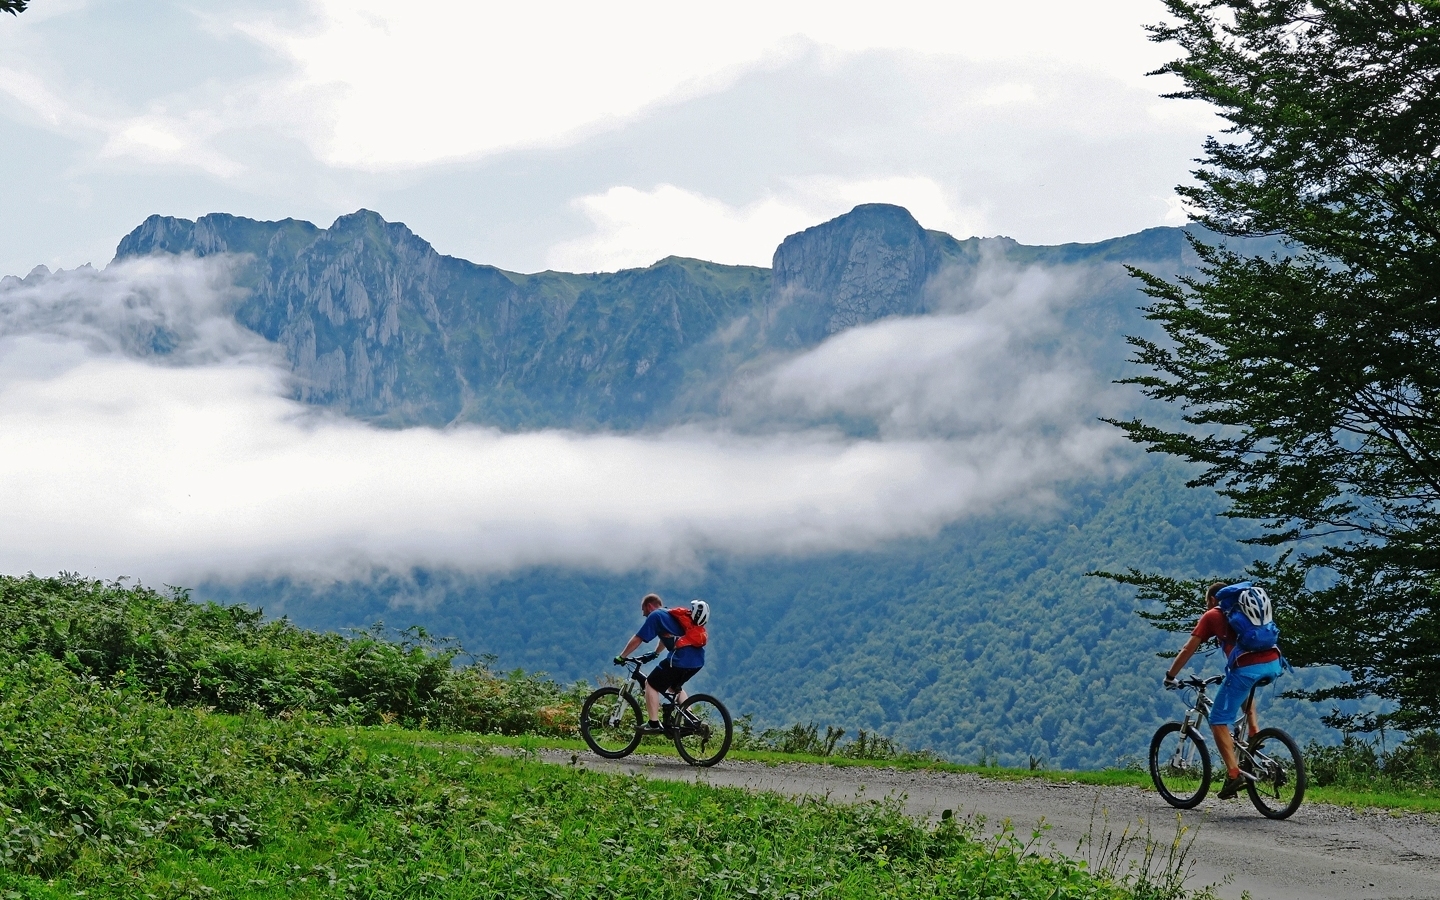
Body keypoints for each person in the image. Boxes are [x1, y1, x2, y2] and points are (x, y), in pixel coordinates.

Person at [1165, 581, 1285, 799]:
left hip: (1247, 668)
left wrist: (1171, 676)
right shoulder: (1247, 613)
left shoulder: (1212, 615)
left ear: (1213, 599)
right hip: (1274, 662)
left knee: (1218, 720)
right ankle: (1254, 733)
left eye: (1207, 603)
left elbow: (1188, 648)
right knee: (1243, 687)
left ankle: (1233, 775)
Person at [614, 593, 708, 733]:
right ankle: (690, 720)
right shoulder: (670, 615)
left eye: (643, 611)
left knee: (651, 683)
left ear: (649, 606)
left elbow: (638, 638)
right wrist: (655, 653)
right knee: (674, 687)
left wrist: (622, 656)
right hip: (697, 661)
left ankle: (654, 724)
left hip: (680, 659)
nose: (644, 615)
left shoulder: (655, 615)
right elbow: (666, 637)